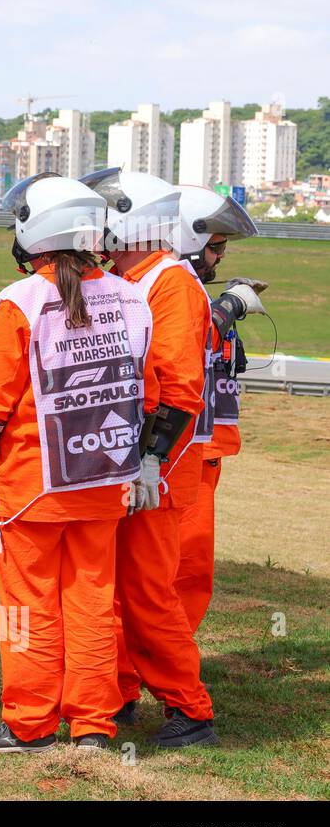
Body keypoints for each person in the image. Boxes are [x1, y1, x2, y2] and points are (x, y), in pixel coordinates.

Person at [0, 173, 153, 753]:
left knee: (29, 604)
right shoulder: (131, 297)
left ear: (36, 230)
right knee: (93, 602)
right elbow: (152, 388)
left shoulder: (21, 301)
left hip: (32, 486)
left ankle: (30, 724)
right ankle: (93, 724)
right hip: (104, 477)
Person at [81, 168, 218, 747]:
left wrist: (151, 460)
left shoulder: (172, 283)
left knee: (145, 591)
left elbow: (180, 388)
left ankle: (190, 709)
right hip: (124, 458)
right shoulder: (126, 277)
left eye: (109, 211)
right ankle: (116, 694)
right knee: (110, 589)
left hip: (156, 466)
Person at [171, 187, 263, 631]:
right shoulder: (174, 290)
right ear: (188, 240)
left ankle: (165, 660)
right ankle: (159, 665)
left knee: (191, 570)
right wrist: (230, 306)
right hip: (185, 448)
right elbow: (195, 336)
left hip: (204, 446)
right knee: (184, 570)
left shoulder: (187, 289)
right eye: (216, 246)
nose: (220, 256)